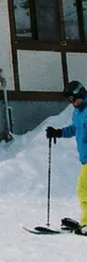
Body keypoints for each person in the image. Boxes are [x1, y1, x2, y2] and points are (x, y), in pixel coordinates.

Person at [46, 78, 87, 232]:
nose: (71, 103)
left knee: (83, 189)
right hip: (85, 159)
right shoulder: (78, 112)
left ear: (80, 95)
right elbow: (75, 129)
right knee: (84, 190)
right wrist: (58, 132)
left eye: (73, 99)